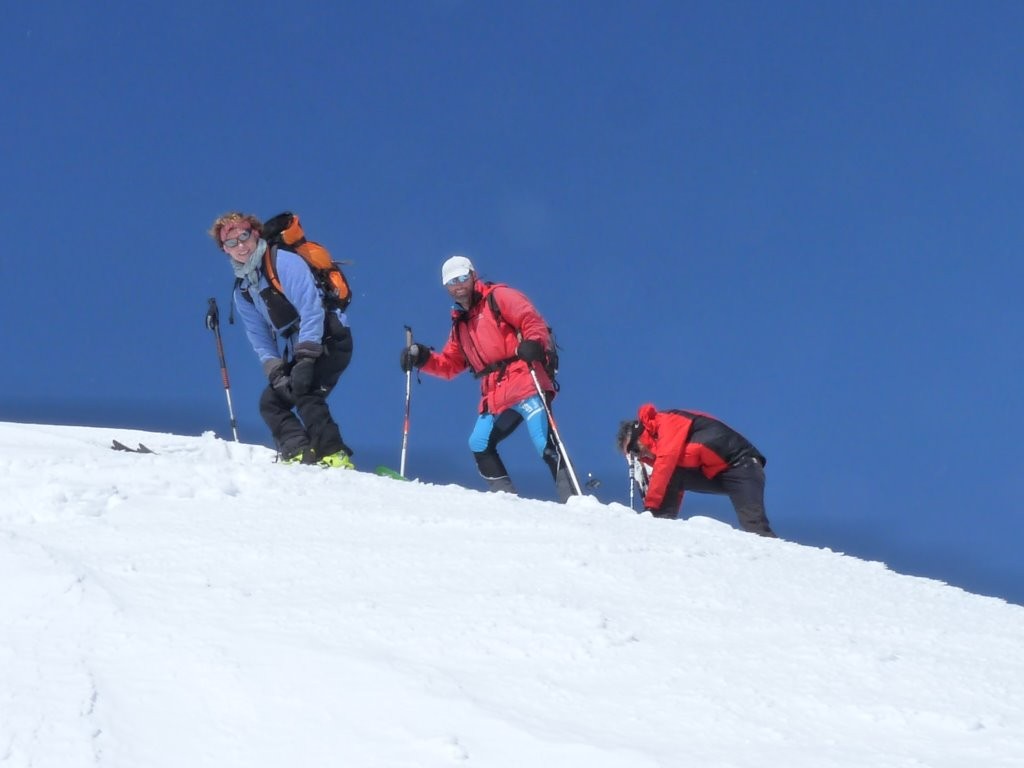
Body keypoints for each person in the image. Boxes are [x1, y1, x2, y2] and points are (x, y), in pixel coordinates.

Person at [400, 255, 576, 502]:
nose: (458, 285)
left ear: (473, 275)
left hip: (525, 379)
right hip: (495, 394)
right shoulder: (460, 326)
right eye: (451, 282)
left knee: (542, 440)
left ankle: (574, 500)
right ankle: (505, 500)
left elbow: (529, 319)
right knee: (479, 443)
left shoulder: (498, 297)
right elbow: (451, 364)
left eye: (462, 277)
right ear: (446, 288)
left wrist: (534, 343)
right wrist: (424, 359)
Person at [209, 211, 354, 467]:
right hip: (302, 348)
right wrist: (276, 372)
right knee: (271, 401)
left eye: (244, 236)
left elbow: (311, 309)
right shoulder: (243, 290)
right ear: (225, 250)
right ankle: (298, 452)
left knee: (304, 388)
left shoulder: (282, 262)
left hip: (330, 337)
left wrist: (306, 359)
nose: (240, 246)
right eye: (231, 243)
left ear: (255, 233)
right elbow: (259, 337)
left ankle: (333, 454)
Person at [616, 404, 777, 536]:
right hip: (717, 473)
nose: (636, 456)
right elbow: (670, 478)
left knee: (754, 526)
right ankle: (661, 528)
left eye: (634, 450)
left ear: (640, 434)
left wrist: (650, 508)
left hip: (743, 467)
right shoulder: (657, 452)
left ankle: (776, 563)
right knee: (673, 476)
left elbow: (665, 464)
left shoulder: (665, 421)